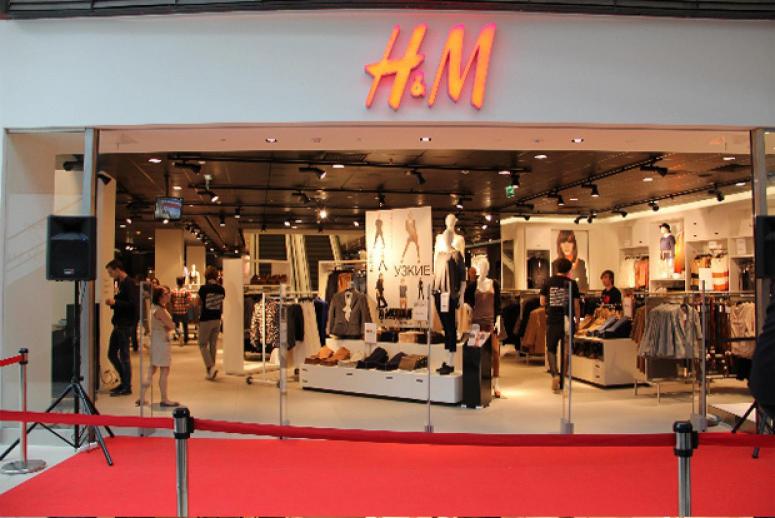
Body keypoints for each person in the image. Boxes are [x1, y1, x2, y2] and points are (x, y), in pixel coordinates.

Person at [540, 258, 580, 393]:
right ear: (569, 269)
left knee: (551, 349)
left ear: (557, 267)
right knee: (566, 350)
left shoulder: (548, 282)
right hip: (568, 320)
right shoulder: (572, 283)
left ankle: (555, 375)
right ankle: (563, 378)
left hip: (553, 320)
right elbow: (576, 304)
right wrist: (578, 321)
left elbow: (542, 301)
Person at [137, 287, 179, 408]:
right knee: (164, 370)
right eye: (166, 293)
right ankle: (164, 399)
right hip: (161, 341)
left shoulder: (155, 308)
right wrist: (170, 326)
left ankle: (142, 396)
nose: (169, 295)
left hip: (157, 340)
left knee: (152, 369)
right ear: (160, 296)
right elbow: (170, 325)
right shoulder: (159, 310)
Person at [105, 259, 139, 396]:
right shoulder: (122, 283)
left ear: (117, 269)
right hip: (119, 323)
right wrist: (114, 303)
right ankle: (124, 382)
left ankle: (126, 385)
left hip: (124, 324)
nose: (110, 275)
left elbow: (132, 304)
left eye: (110, 272)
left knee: (124, 356)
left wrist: (115, 302)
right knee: (112, 354)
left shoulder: (129, 283)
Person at [198, 266, 225, 380]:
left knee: (202, 344)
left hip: (206, 319)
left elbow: (198, 303)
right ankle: (210, 372)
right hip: (217, 319)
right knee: (213, 345)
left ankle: (211, 367)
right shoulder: (221, 289)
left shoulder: (203, 289)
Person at [170, 276, 192, 344]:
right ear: (183, 282)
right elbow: (189, 300)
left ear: (177, 282)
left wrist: (174, 306)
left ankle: (179, 336)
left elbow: (171, 300)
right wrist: (186, 306)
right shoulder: (186, 291)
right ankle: (186, 339)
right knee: (185, 326)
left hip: (175, 311)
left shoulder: (173, 291)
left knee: (176, 326)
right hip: (184, 311)